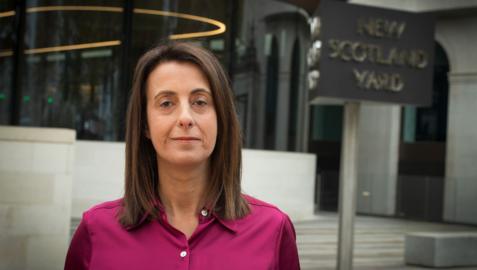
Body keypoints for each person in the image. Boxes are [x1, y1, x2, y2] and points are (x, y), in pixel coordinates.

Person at [64, 42, 300, 270]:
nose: (185, 118)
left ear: (221, 119)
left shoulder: (273, 230)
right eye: (166, 103)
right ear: (145, 124)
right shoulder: (95, 232)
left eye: (200, 102)